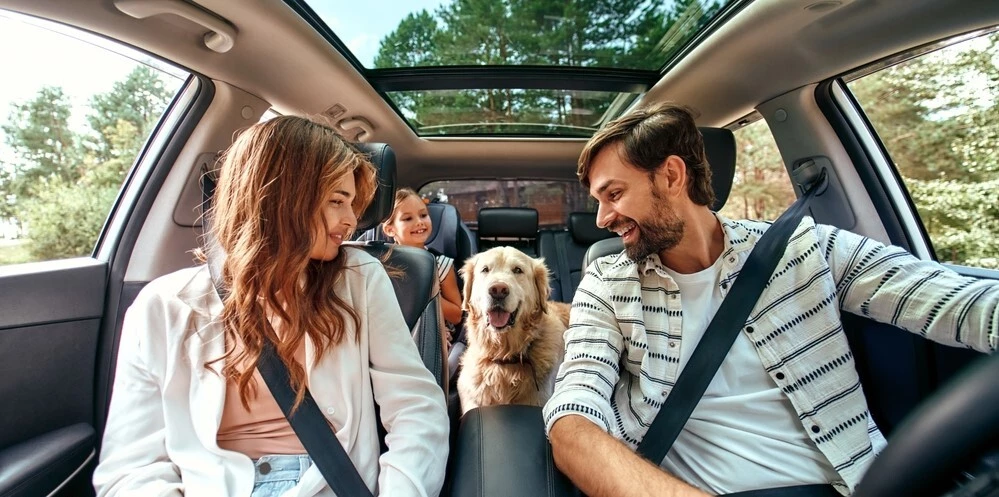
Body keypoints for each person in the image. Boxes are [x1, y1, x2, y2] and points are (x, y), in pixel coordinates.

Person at [542, 102, 998, 497]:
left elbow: (959, 303)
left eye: (614, 194)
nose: (601, 218)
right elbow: (573, 417)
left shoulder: (805, 248)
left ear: (672, 176)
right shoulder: (606, 281)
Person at [93, 116, 449, 497]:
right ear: (280, 197)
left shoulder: (359, 278)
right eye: (336, 201)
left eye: (352, 204)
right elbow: (132, 468)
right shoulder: (162, 307)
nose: (351, 221)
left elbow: (415, 407)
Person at [382, 188, 464, 341]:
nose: (419, 222)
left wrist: (422, 293)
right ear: (390, 229)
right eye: (408, 218)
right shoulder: (381, 265)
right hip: (390, 334)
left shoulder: (441, 265)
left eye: (423, 215)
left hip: (431, 337)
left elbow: (456, 315)